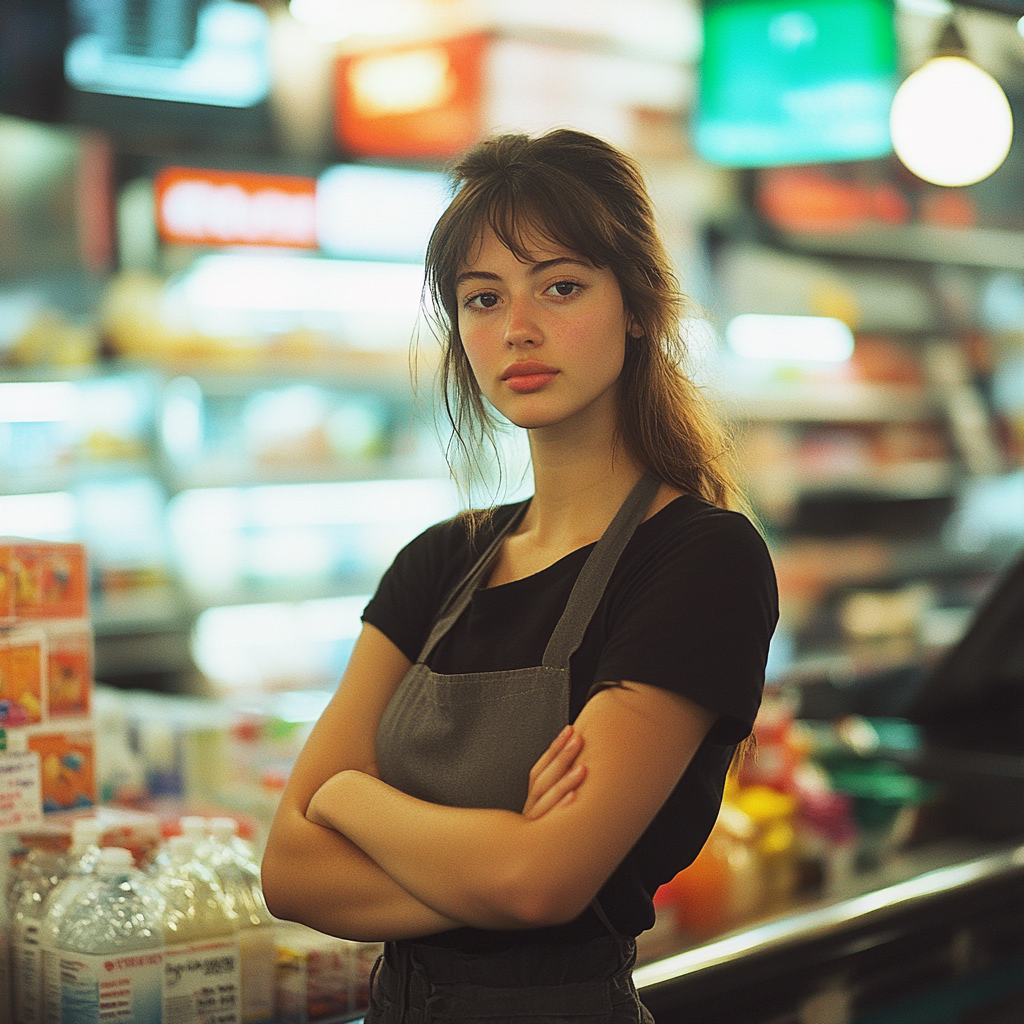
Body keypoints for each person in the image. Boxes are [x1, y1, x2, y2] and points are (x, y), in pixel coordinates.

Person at [261, 129, 778, 1022]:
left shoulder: (702, 561)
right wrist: (508, 867)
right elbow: (289, 872)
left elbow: (542, 887)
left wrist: (350, 799)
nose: (519, 329)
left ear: (638, 305)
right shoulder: (438, 562)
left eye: (562, 286)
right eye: (484, 298)